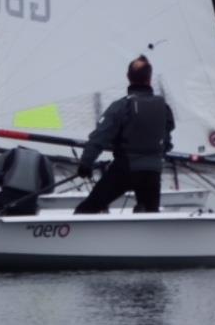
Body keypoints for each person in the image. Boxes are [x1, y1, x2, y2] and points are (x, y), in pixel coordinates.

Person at [74, 55, 174, 214]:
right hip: (153, 171)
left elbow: (99, 137)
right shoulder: (164, 108)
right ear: (149, 78)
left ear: (128, 78)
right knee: (150, 214)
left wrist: (85, 164)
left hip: (125, 168)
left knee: (86, 210)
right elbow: (167, 142)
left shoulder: (121, 106)